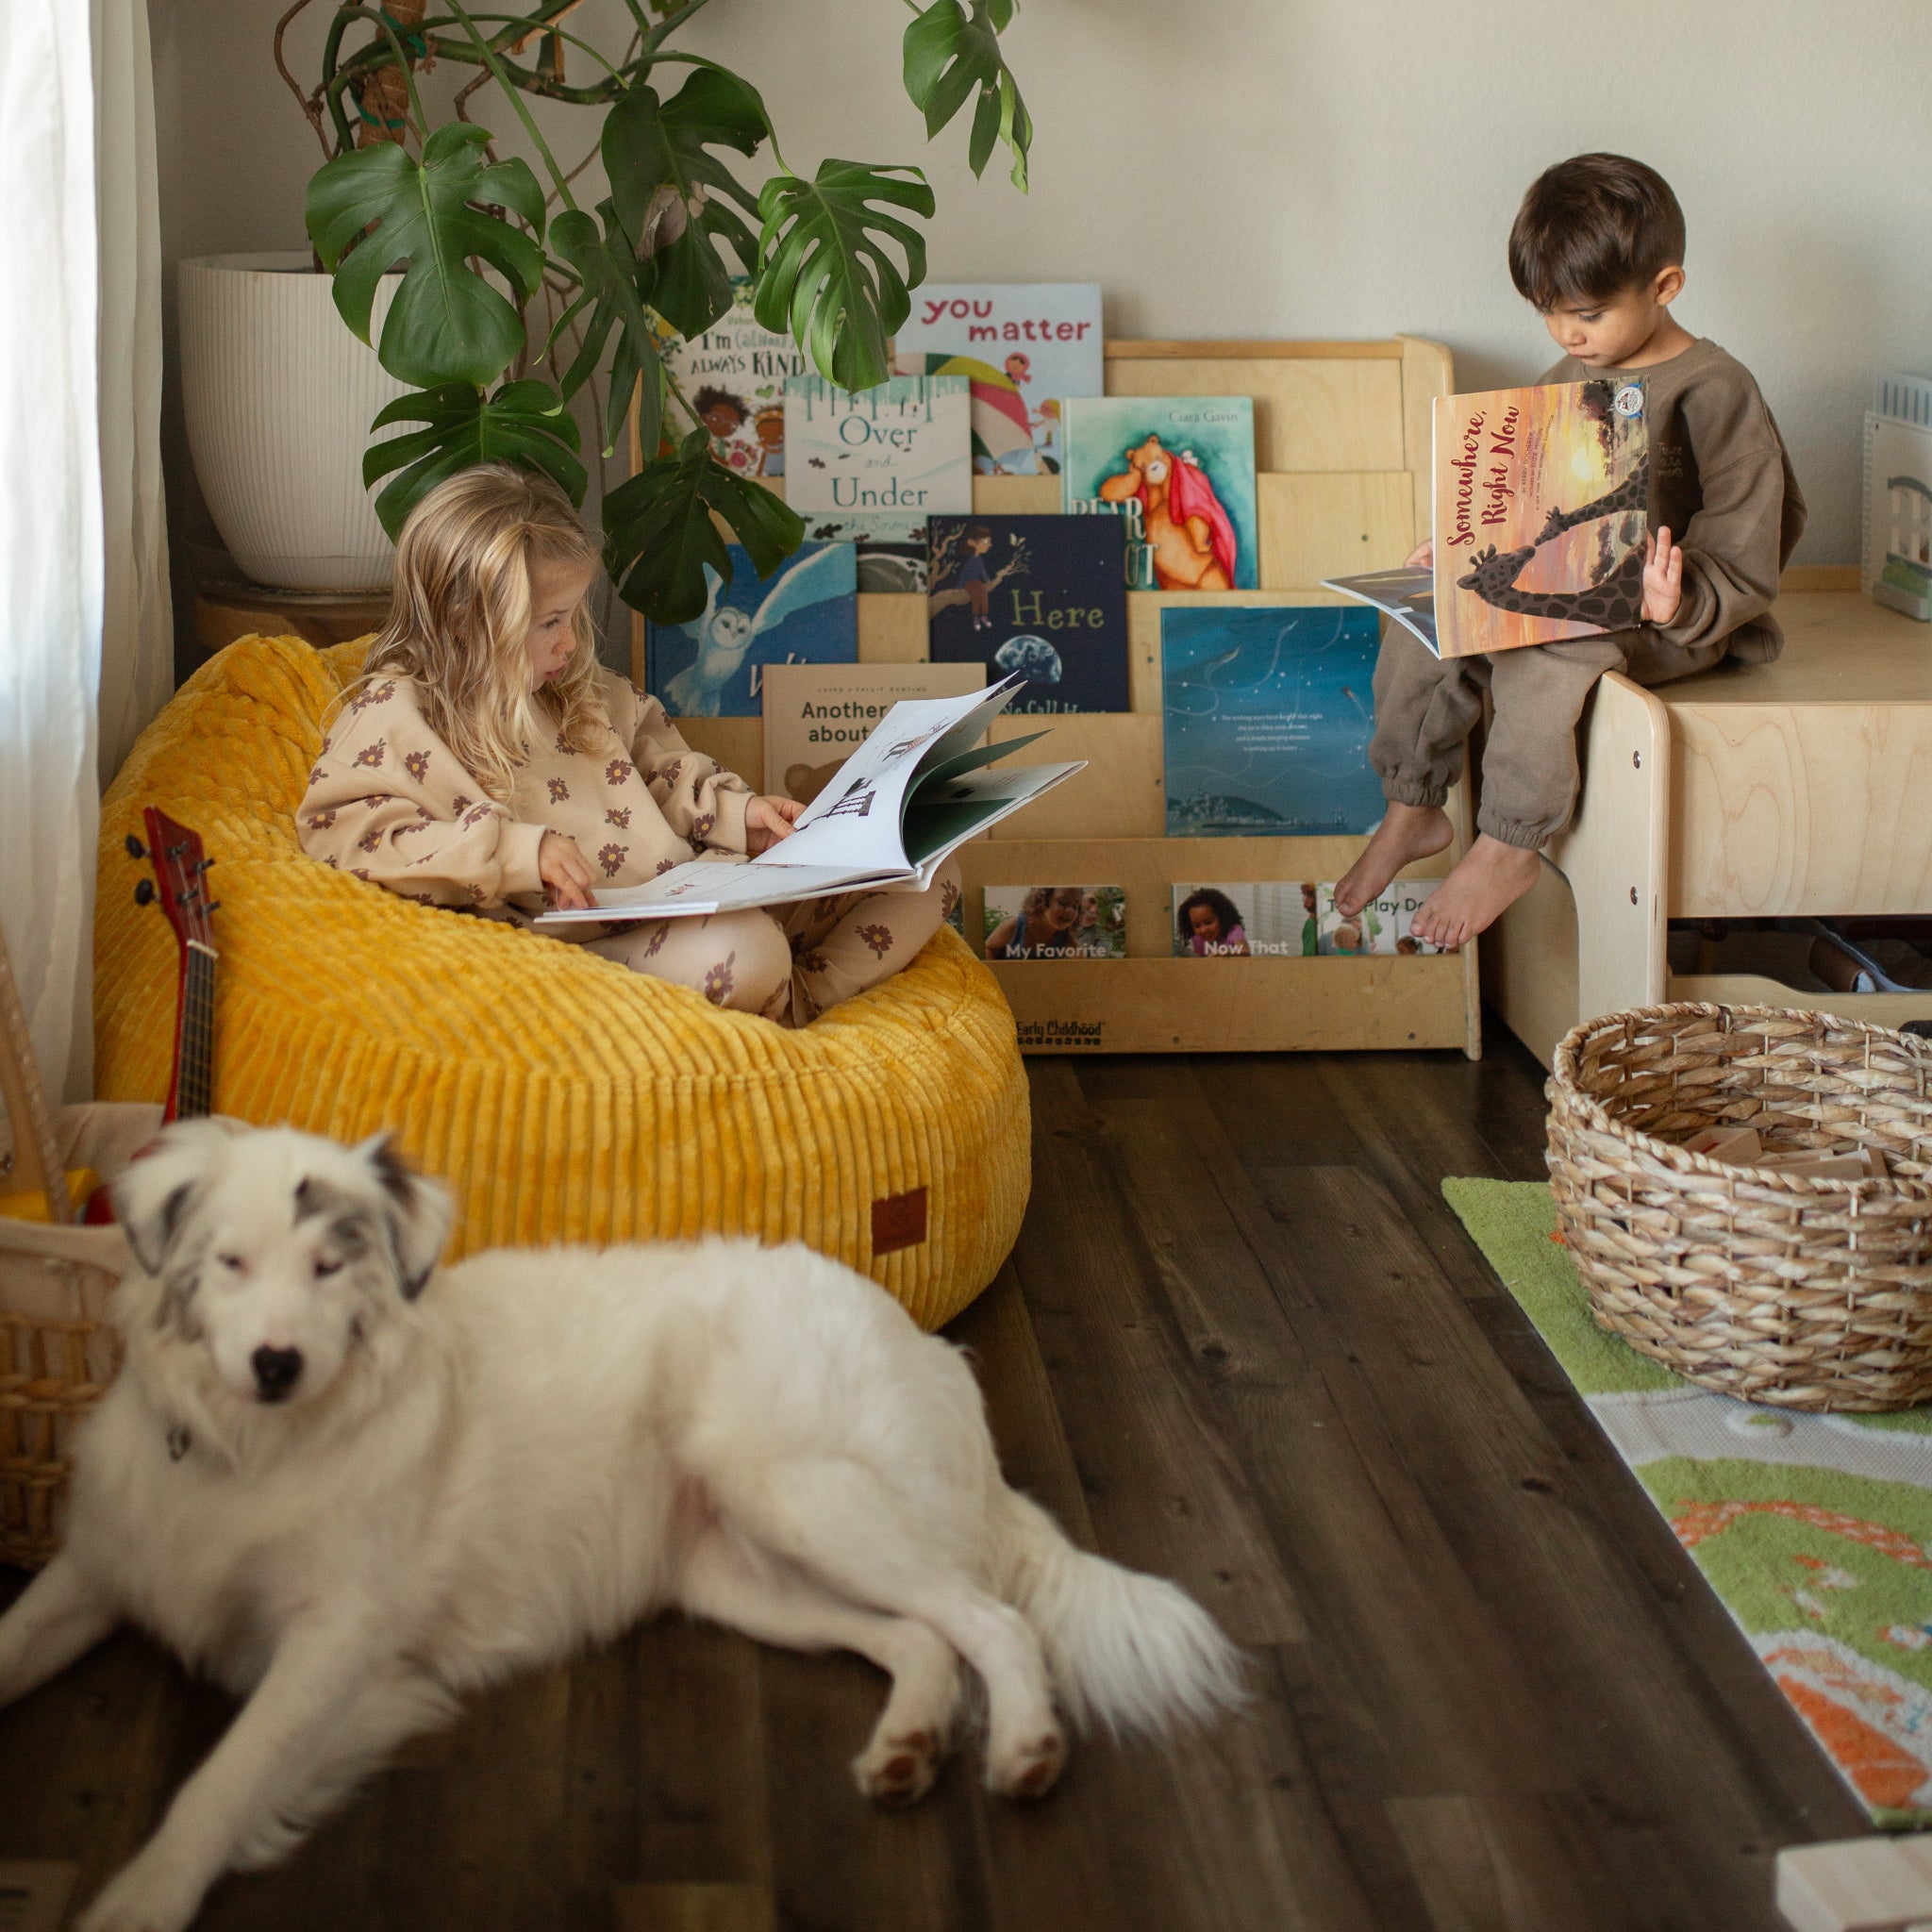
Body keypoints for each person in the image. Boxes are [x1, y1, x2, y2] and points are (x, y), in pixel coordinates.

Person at [1337, 153, 1806, 951]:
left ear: (1664, 287)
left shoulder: (1717, 388)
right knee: (1429, 624)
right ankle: (1412, 805)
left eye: (1586, 313)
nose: (1566, 333)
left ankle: (1512, 844)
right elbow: (1532, 499)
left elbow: (1754, 532)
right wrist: (1460, 549)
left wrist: (1681, 597)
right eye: (1549, 313)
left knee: (1542, 655)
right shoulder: (1574, 368)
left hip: (1667, 617)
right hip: (1567, 585)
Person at [298, 463, 958, 1026]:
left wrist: (739, 815)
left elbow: (667, 770)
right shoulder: (396, 715)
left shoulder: (586, 693)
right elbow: (347, 839)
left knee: (928, 870)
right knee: (748, 950)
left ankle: (801, 999)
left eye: (573, 616)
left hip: (703, 892)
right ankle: (776, 988)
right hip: (587, 952)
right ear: (468, 622)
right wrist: (516, 852)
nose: (568, 642)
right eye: (549, 623)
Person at [986, 885, 1081, 958]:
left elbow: (1083, 969)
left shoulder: (1067, 939)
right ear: (1043, 901)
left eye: (1075, 906)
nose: (1070, 911)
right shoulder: (1016, 926)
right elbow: (988, 949)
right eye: (1063, 903)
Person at [1176, 889, 1248, 957]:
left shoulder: (1233, 930)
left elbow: (1245, 952)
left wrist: (1223, 954)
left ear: (1222, 918)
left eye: (1208, 923)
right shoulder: (1197, 938)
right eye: (1197, 926)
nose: (1203, 930)